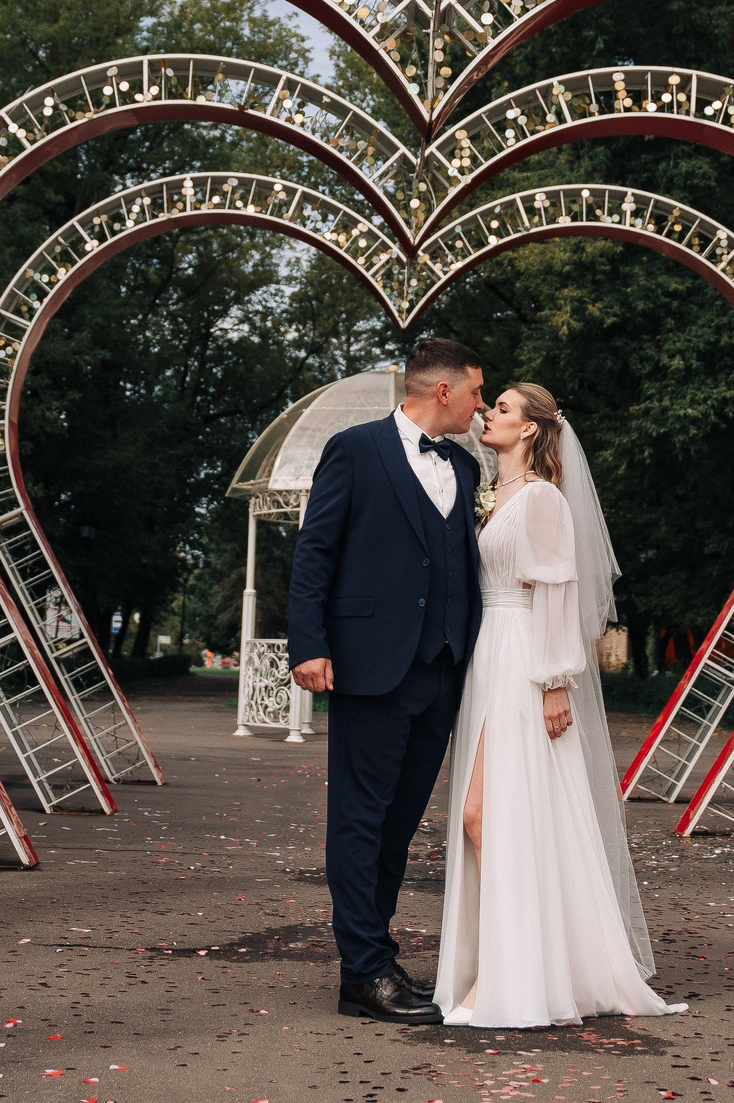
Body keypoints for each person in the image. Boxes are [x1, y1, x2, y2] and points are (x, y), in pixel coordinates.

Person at [435, 382, 682, 1028]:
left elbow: (559, 590)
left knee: (488, 815)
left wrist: (553, 682)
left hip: (523, 662)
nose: (489, 412)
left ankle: (506, 972)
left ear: (531, 431)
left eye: (505, 409)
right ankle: (512, 964)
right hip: (488, 658)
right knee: (492, 816)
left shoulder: (542, 499)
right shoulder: (495, 496)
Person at [289, 337, 486, 1026]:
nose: (480, 405)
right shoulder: (355, 447)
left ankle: (376, 948)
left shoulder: (464, 465)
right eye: (475, 392)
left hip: (441, 670)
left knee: (398, 824)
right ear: (442, 391)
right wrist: (309, 643)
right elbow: (316, 547)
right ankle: (362, 971)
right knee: (359, 818)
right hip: (369, 665)